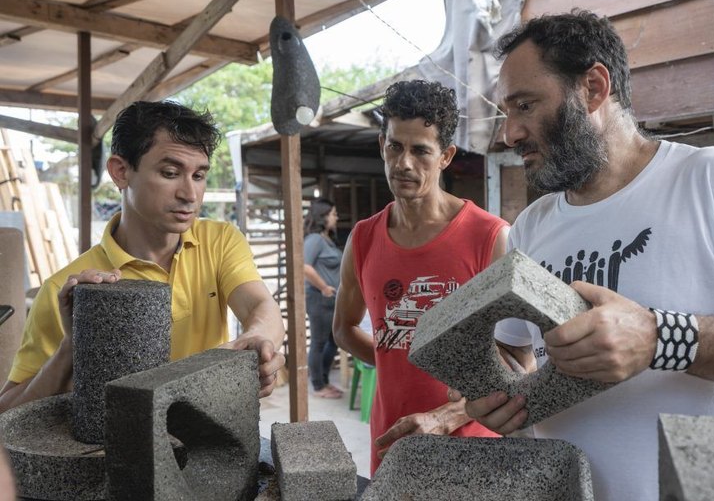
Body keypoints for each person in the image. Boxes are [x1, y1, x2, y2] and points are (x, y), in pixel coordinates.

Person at [459, 10, 714, 500]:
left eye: (526, 106)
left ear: (594, 88)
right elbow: (516, 351)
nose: (510, 134)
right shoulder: (531, 226)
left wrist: (664, 338)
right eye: (506, 114)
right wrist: (502, 395)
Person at [0, 101, 286, 414]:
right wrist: (74, 345)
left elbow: (260, 305)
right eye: (170, 173)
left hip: (208, 438)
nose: (190, 194)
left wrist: (257, 342)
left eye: (199, 175)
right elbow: (7, 414)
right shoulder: (67, 289)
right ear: (121, 171)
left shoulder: (219, 240)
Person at [332, 80, 516, 474]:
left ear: (446, 156)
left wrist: (447, 416)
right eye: (395, 146)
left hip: (474, 448)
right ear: (382, 143)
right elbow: (344, 329)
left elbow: (519, 364)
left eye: (420, 151)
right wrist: (399, 363)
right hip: (393, 441)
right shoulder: (363, 239)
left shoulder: (490, 237)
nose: (404, 164)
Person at [302, 198, 343, 399]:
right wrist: (325, 287)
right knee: (318, 342)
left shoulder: (327, 240)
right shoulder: (315, 240)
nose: (336, 217)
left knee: (333, 341)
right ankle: (318, 386)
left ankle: (324, 380)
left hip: (329, 300)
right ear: (323, 216)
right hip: (319, 298)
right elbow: (304, 266)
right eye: (333, 213)